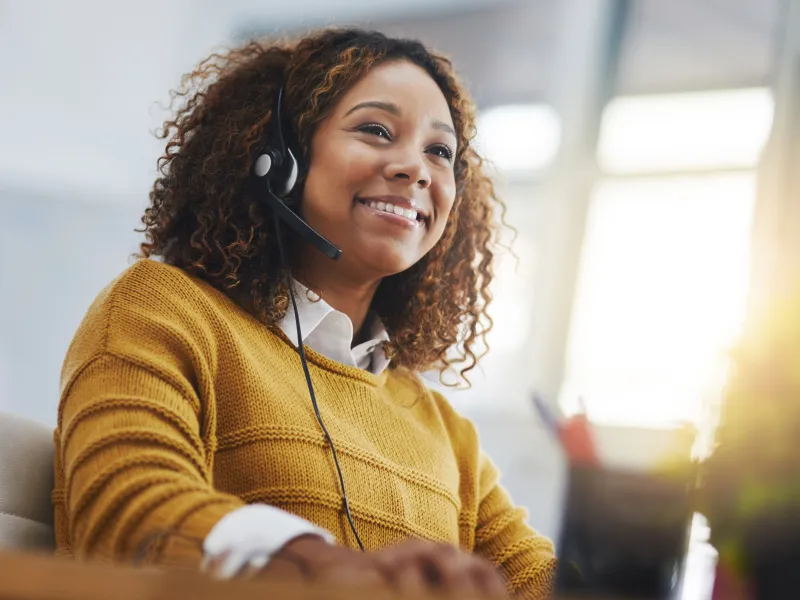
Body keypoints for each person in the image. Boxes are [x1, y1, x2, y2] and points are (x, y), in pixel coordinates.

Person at [53, 28, 556, 599]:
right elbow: (126, 510)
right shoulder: (163, 309)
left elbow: (535, 581)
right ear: (277, 159)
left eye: (439, 151)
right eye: (375, 130)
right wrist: (314, 565)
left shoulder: (442, 428)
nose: (415, 168)